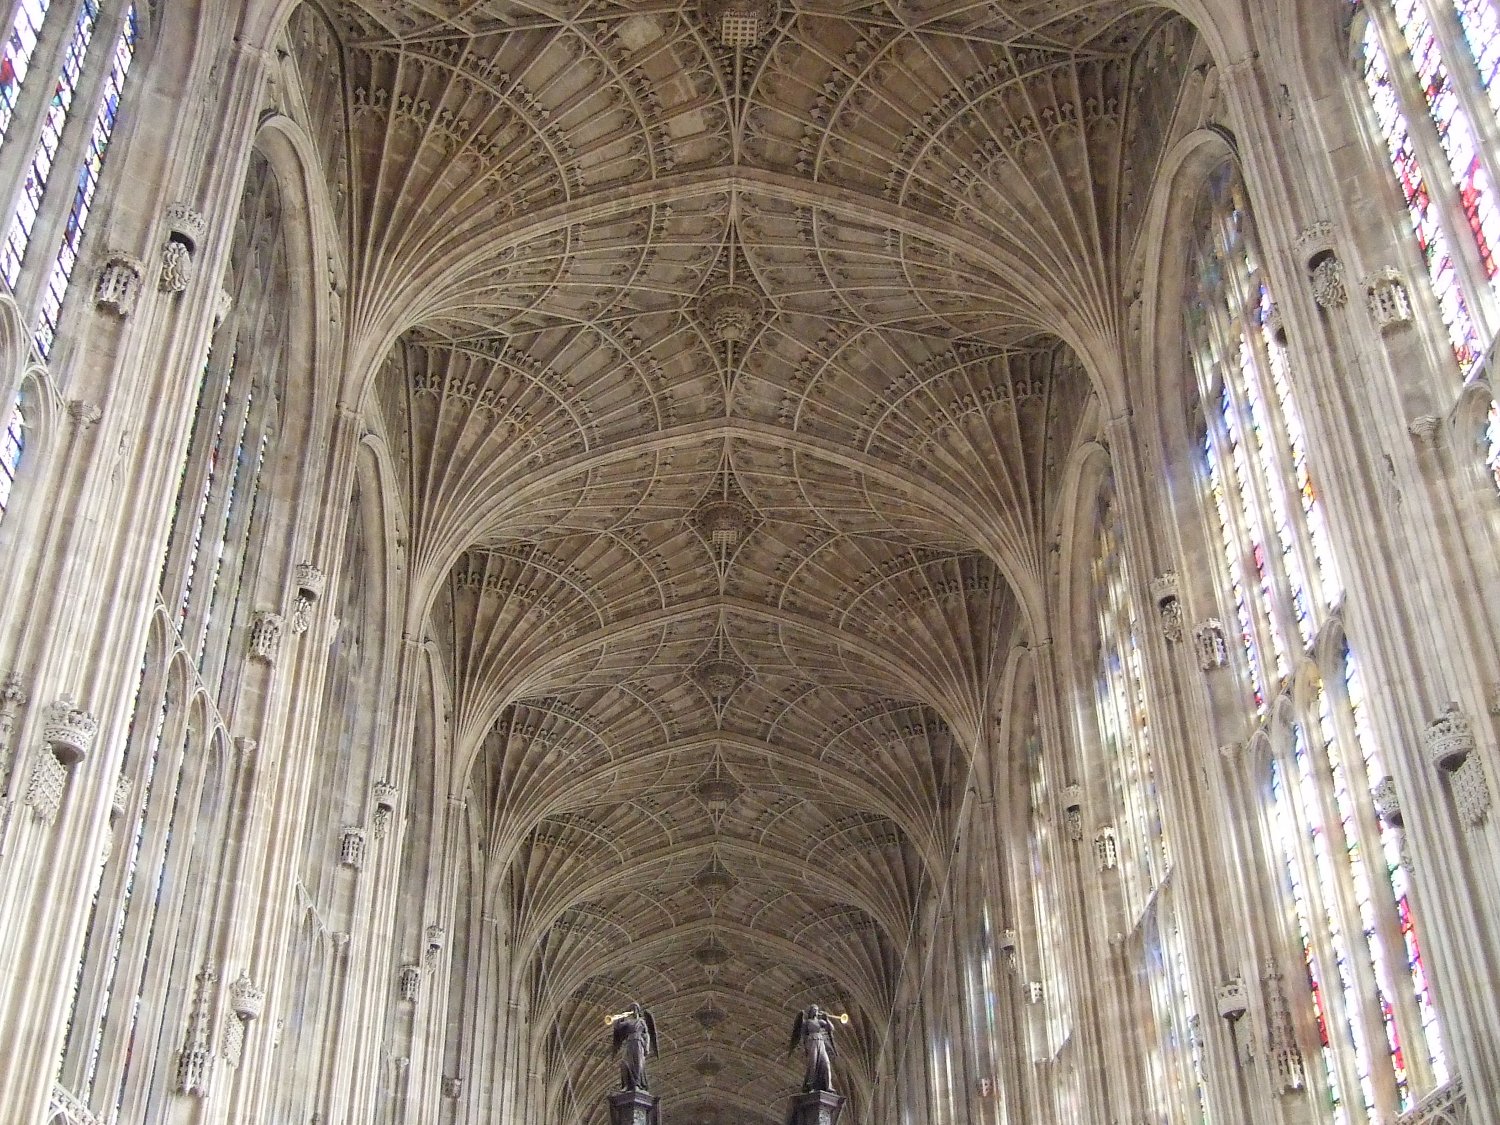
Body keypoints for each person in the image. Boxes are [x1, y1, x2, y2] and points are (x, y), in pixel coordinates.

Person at [788, 1004, 837, 1092]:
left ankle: (828, 1085)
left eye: (817, 1010)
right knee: (813, 1063)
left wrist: (827, 1019)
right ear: (810, 1012)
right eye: (814, 1009)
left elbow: (831, 1028)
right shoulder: (806, 1022)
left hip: (820, 1042)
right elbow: (801, 1033)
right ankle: (810, 1085)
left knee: (826, 1063)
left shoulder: (820, 1022)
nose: (816, 1011)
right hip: (811, 1042)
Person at [611, 1003, 657, 1091]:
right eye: (632, 1009)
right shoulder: (628, 1022)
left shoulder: (641, 1021)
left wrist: (646, 1047)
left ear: (638, 1010)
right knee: (624, 1062)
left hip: (638, 1043)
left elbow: (646, 1034)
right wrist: (620, 1017)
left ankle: (637, 1083)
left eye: (635, 1008)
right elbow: (618, 1027)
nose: (634, 1010)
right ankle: (626, 1085)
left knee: (637, 1063)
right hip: (629, 1043)